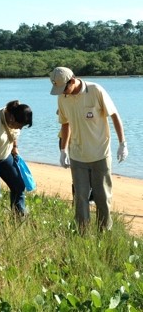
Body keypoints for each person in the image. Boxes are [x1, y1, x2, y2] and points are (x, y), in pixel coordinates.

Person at [49, 67, 128, 232]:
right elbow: (65, 124)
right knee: (80, 198)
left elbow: (114, 115)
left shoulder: (95, 90)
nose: (63, 93)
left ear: (72, 80)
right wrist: (63, 150)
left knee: (102, 197)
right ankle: (82, 233)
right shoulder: (63, 98)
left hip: (100, 154)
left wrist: (122, 143)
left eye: (65, 88)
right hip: (77, 155)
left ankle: (104, 232)